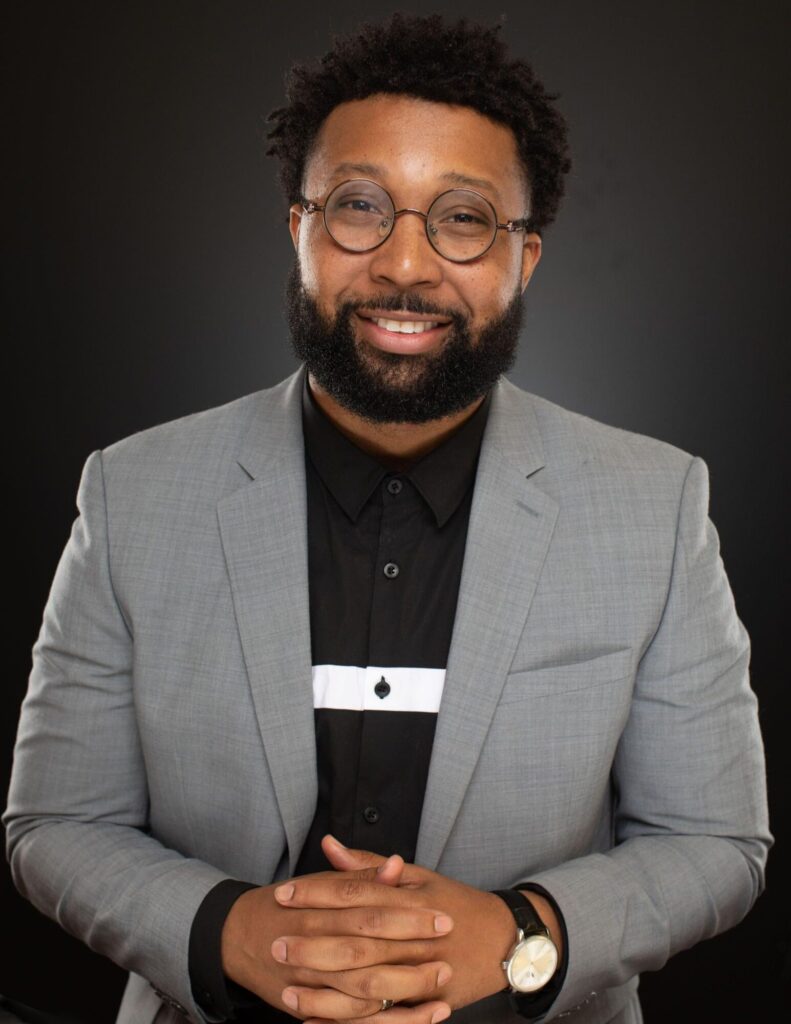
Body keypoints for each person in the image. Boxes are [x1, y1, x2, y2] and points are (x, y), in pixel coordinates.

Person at [3, 13, 771, 1024]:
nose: (405, 265)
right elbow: (55, 822)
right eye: (360, 206)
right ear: (298, 228)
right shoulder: (130, 493)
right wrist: (225, 931)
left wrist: (523, 935)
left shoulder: (654, 505)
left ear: (525, 256)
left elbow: (715, 842)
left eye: (463, 218)